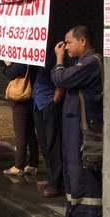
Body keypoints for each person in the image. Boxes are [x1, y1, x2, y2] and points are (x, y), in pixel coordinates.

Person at [50, 25, 103, 217]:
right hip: (73, 128)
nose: (66, 46)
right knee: (72, 175)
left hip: (85, 131)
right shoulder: (82, 63)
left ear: (82, 41)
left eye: (68, 43)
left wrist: (59, 59)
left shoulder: (91, 63)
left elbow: (60, 78)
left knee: (85, 178)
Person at [33, 50, 65, 198]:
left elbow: (61, 75)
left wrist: (57, 96)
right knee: (44, 143)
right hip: (38, 103)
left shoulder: (55, 55)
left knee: (53, 143)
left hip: (49, 102)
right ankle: (52, 178)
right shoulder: (35, 54)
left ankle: (57, 184)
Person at [2, 62, 40, 176]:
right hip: (33, 96)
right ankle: (33, 163)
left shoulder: (23, 58)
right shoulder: (36, 56)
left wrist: (8, 64)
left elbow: (12, 73)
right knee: (30, 132)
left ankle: (19, 165)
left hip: (22, 99)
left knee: (21, 133)